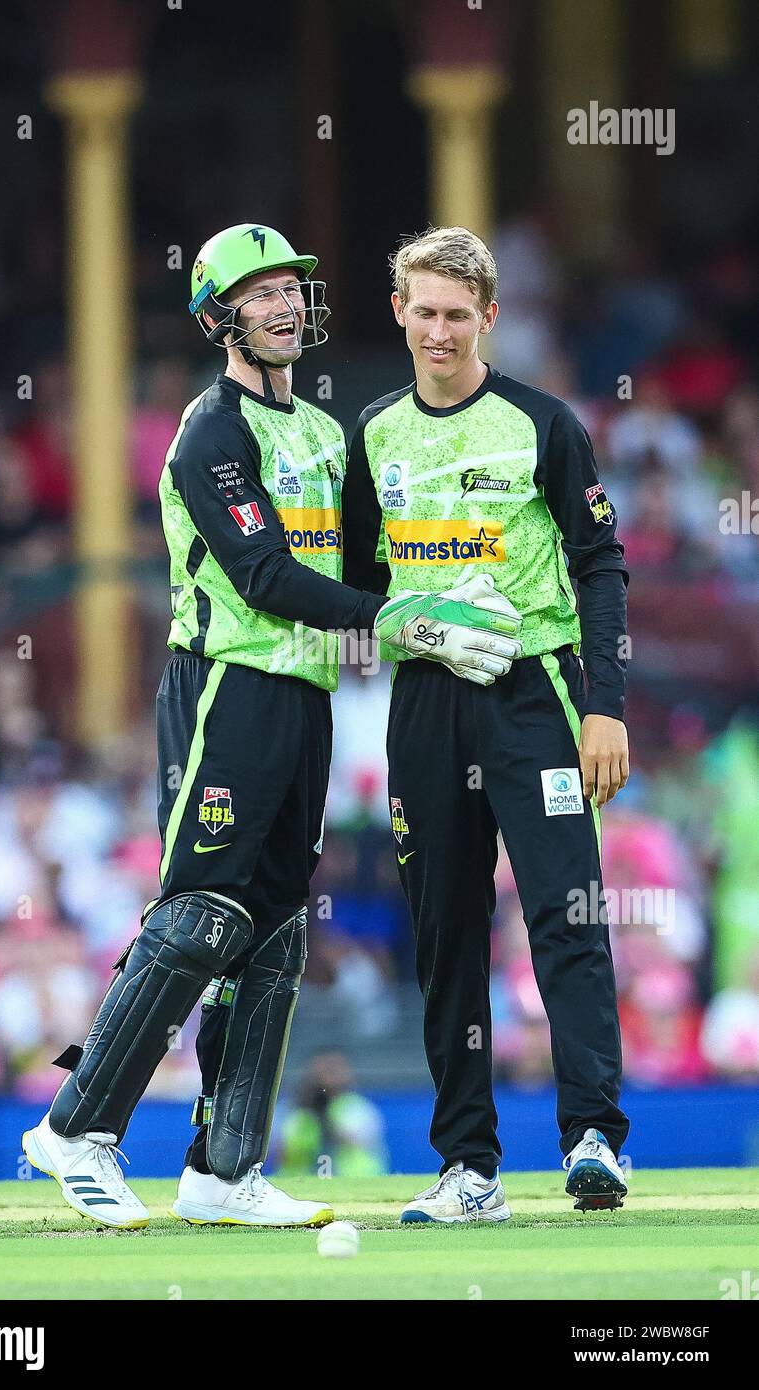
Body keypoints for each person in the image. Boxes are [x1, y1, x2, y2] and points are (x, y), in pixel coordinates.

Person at [22, 223, 523, 1229]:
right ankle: (76, 1130)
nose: (283, 305)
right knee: (201, 912)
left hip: (305, 697)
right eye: (257, 295)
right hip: (227, 688)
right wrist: (390, 619)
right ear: (219, 317)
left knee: (278, 932)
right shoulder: (211, 432)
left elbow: (357, 572)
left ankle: (221, 1169)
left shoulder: (321, 434)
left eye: (290, 286)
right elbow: (263, 577)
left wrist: (448, 584)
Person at [343, 225, 631, 1223]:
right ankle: (469, 1168)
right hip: (426, 698)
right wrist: (394, 617)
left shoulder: (544, 424)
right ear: (397, 312)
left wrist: (603, 705)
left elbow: (600, 564)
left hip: (533, 690)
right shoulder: (373, 432)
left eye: (455, 315)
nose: (436, 331)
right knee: (444, 931)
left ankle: (591, 1134)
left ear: (488, 319)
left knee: (563, 913)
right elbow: (350, 578)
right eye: (420, 311)